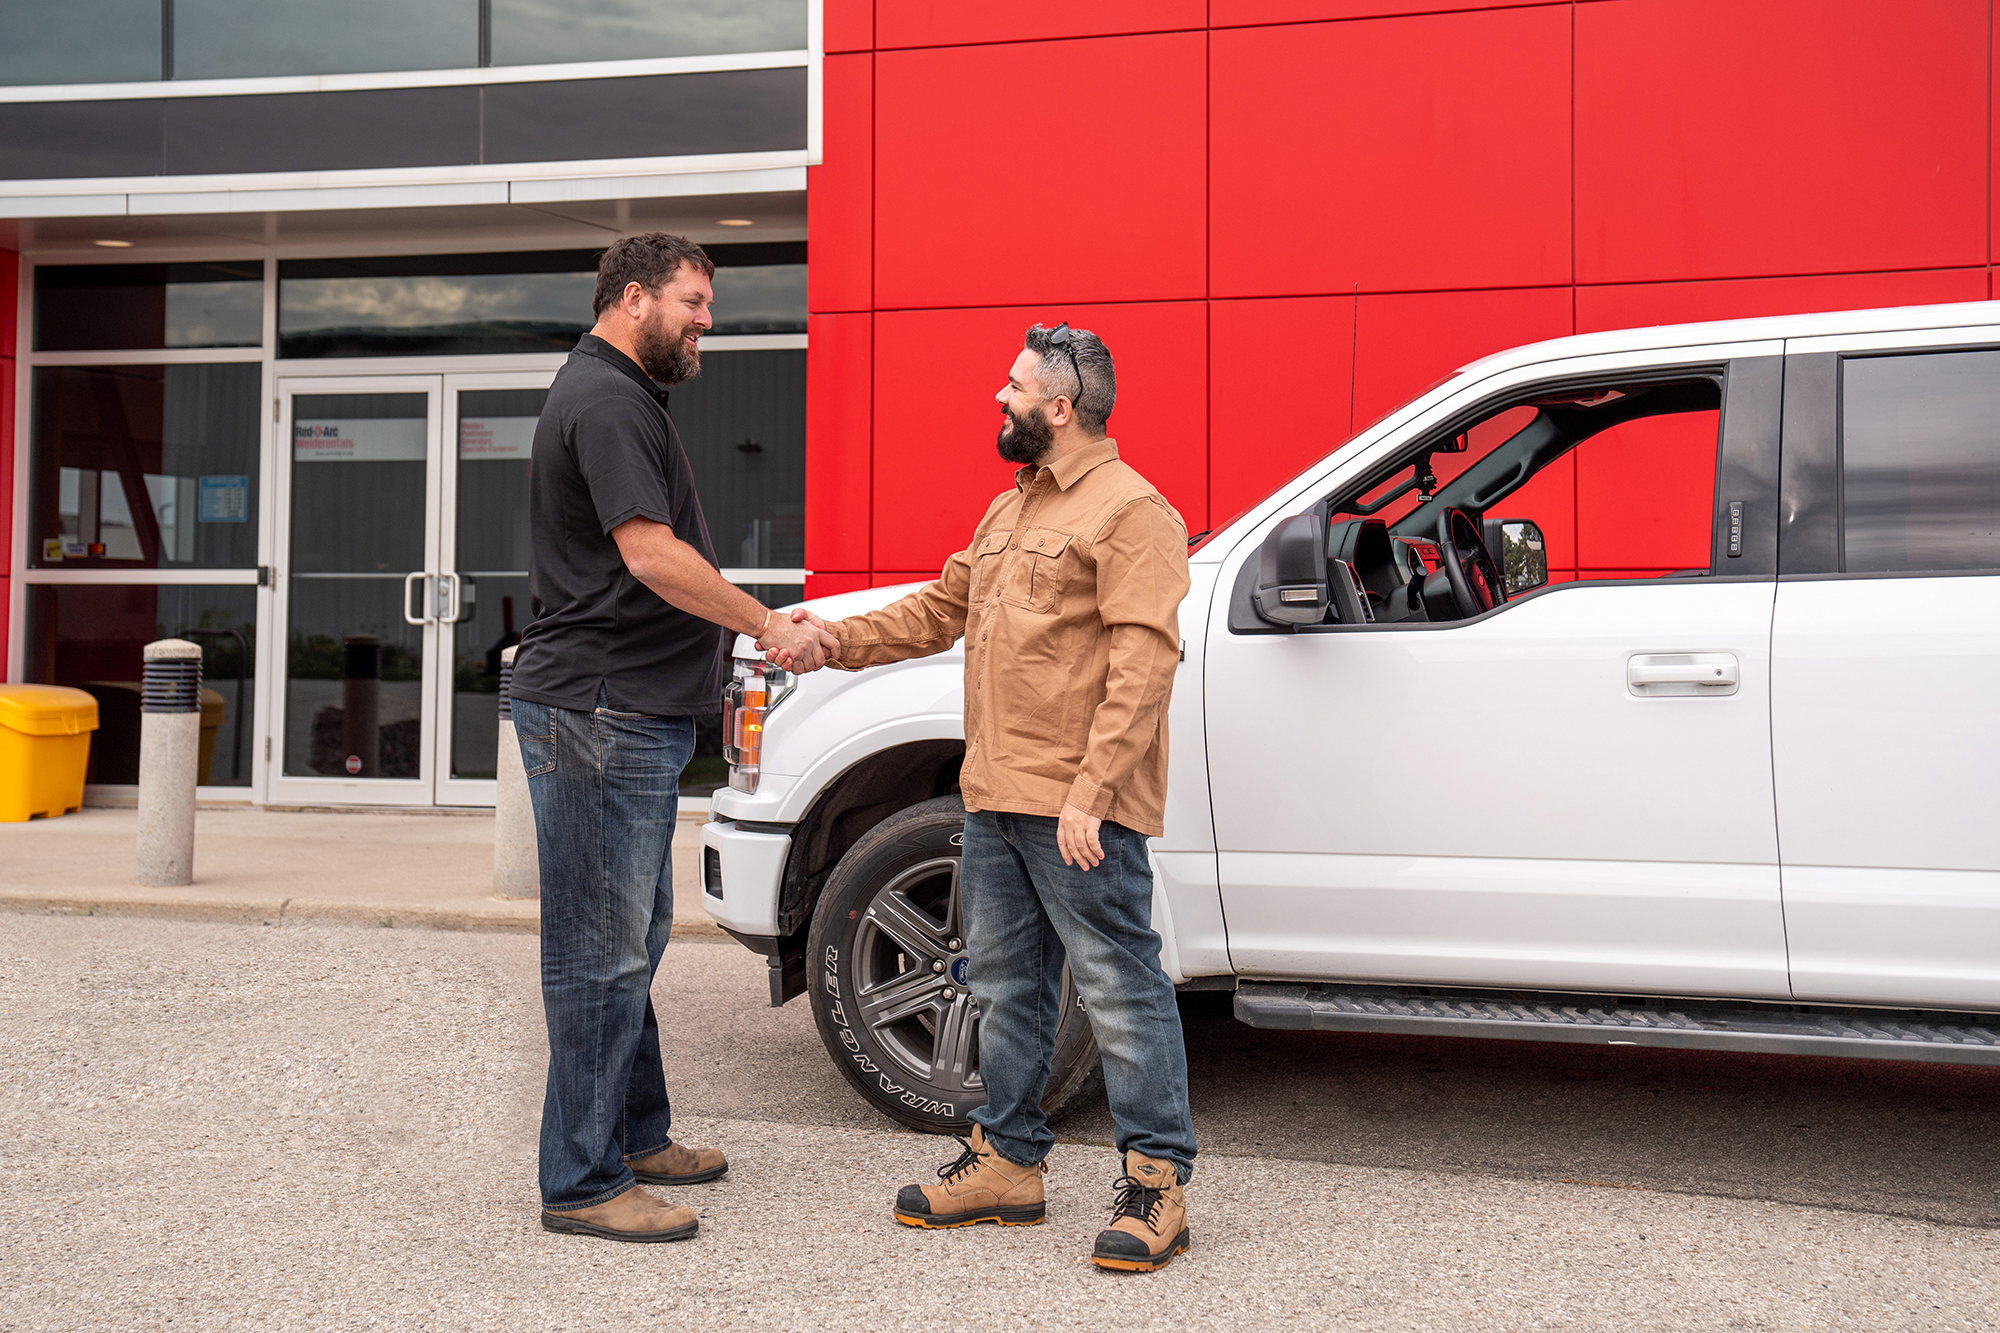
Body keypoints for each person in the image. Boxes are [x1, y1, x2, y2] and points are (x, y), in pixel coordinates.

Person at [776, 324, 1197, 1272]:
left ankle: (1158, 1182)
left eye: (1011, 387)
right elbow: (938, 607)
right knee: (1004, 985)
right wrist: (830, 640)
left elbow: (1145, 661)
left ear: (1059, 407)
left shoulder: (1132, 512)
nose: (995, 400)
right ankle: (1008, 1160)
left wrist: (1095, 791)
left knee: (1120, 990)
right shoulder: (1012, 510)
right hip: (996, 792)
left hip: (1076, 806)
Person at [509, 232, 837, 1243]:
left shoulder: (618, 394)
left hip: (622, 712)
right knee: (597, 953)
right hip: (601, 713)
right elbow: (649, 554)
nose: (707, 320)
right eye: (693, 301)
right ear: (635, 297)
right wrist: (766, 623)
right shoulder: (606, 401)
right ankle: (581, 1178)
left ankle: (636, 1132)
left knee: (631, 939)